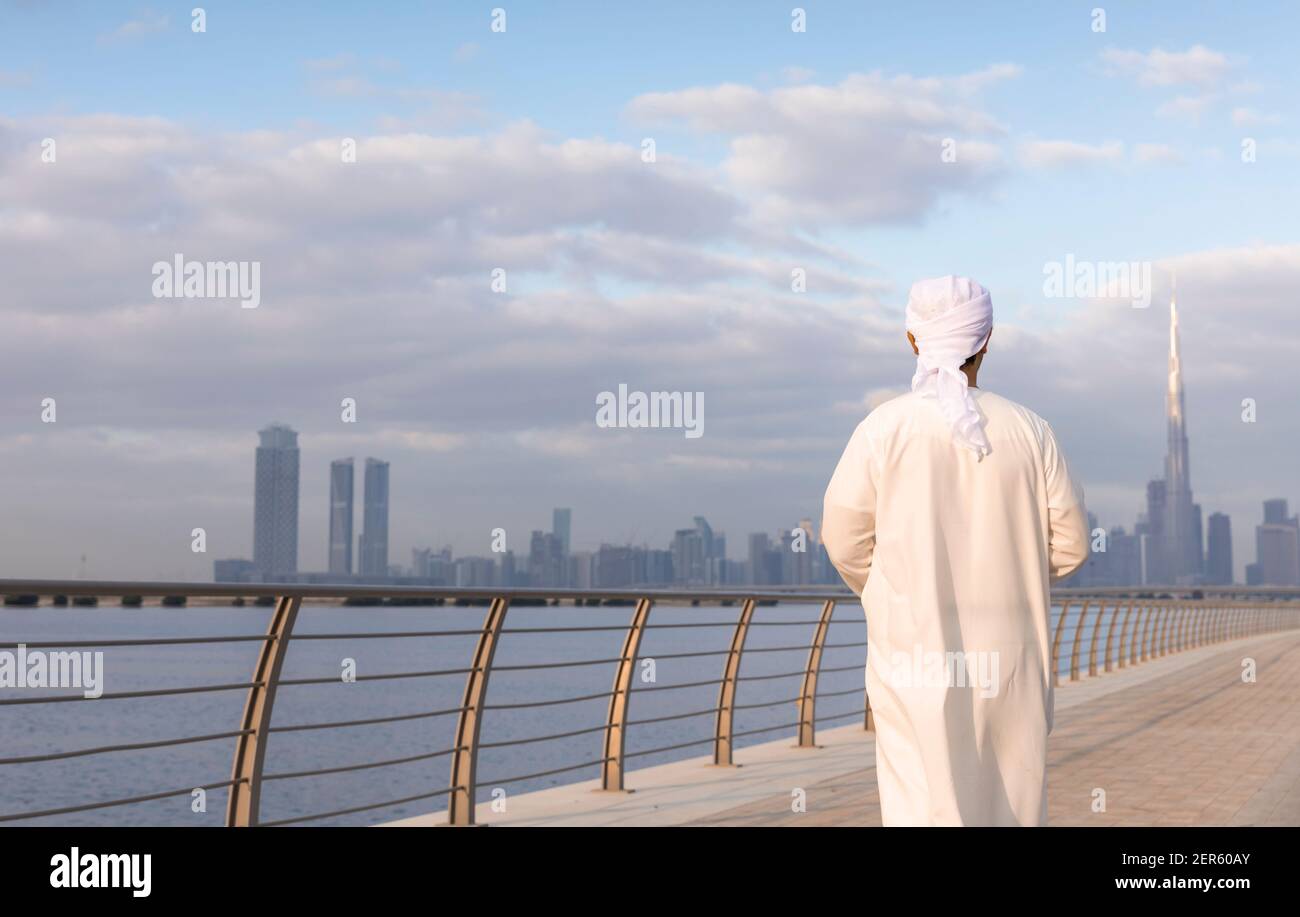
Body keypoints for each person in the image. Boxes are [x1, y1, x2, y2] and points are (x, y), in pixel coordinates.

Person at [821, 275, 1089, 826]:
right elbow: (1072, 543)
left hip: (912, 655)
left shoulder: (881, 430)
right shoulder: (1033, 431)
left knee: (922, 803)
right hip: (1014, 657)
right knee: (1010, 803)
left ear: (913, 340)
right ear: (986, 339)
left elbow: (842, 538)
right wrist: (1015, 577)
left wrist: (891, 593)